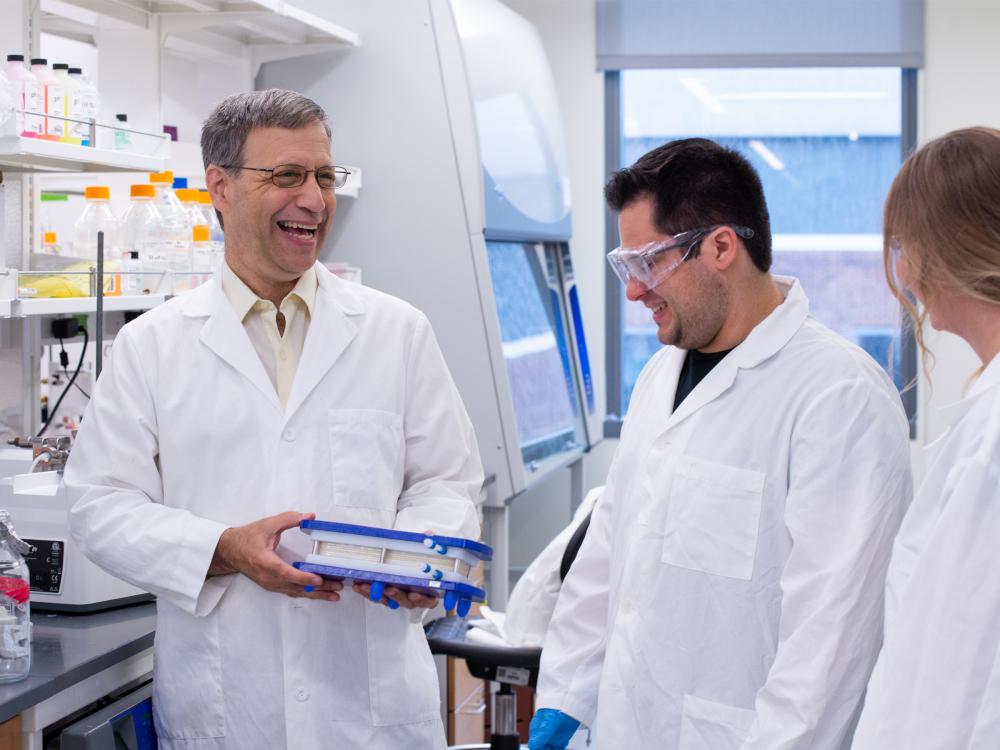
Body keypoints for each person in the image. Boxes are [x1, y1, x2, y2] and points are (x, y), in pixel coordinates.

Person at [64, 89, 483, 750]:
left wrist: (414, 556)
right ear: (220, 188)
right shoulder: (153, 346)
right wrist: (223, 548)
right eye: (287, 176)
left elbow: (449, 481)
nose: (314, 199)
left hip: (371, 714)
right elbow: (98, 505)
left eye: (324, 176)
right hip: (228, 710)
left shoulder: (396, 331)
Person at [528, 138, 913, 750]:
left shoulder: (838, 395)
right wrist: (565, 698)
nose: (632, 291)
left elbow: (832, 638)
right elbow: (608, 556)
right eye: (623, 266)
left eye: (646, 263)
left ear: (721, 247)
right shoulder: (660, 376)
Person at [851, 127, 1000, 749]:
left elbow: (964, 662)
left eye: (904, 246)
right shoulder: (983, 417)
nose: (904, 272)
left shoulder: (992, 441)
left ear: (949, 246)